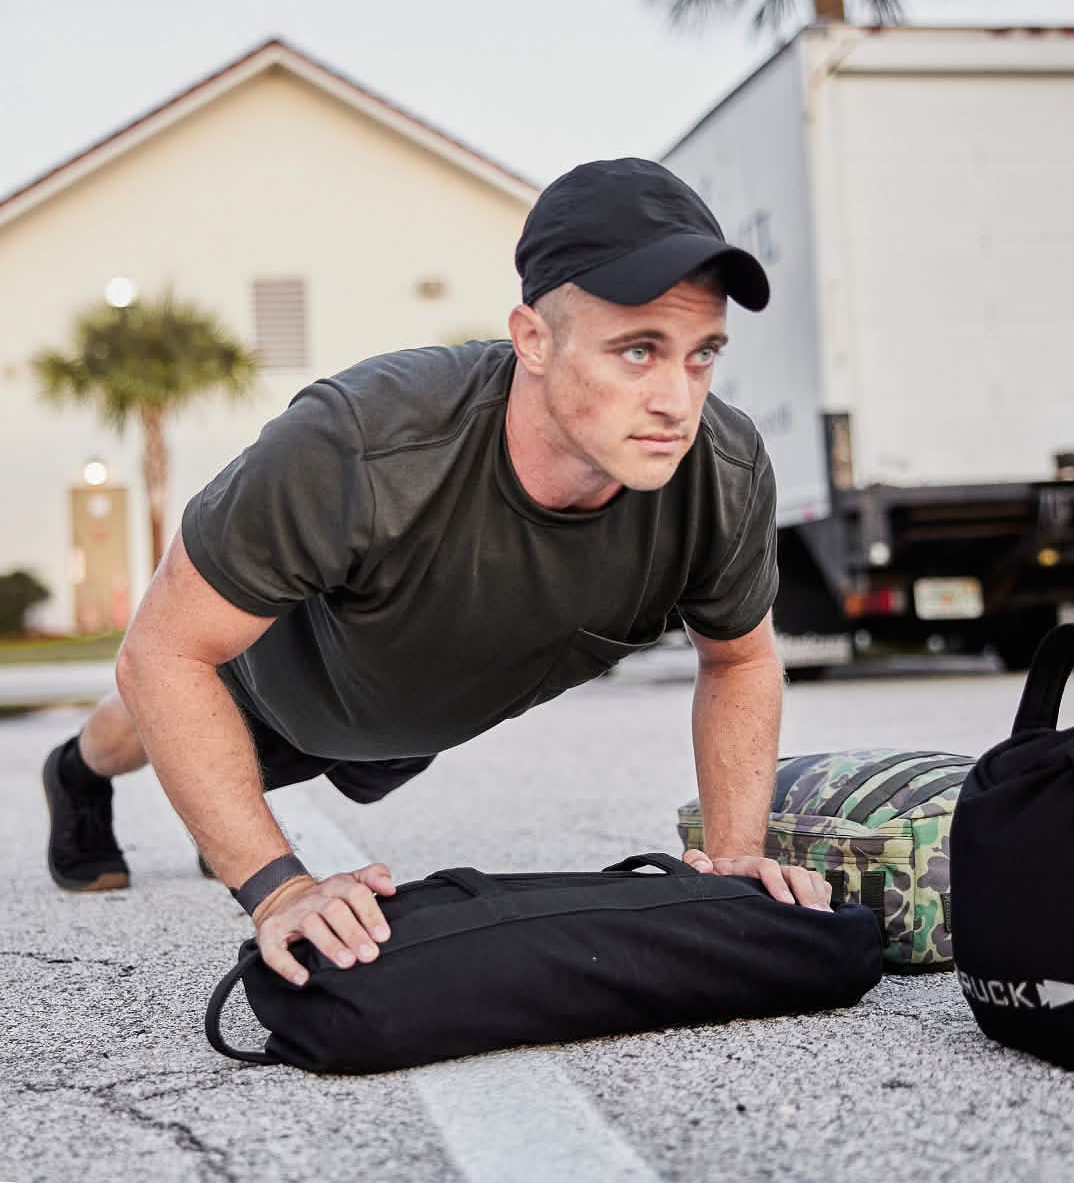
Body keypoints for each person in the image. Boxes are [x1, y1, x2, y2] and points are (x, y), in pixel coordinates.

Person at [42, 158, 833, 986]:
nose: (678, 399)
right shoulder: (360, 444)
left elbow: (739, 658)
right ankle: (76, 773)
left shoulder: (722, 472)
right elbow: (163, 652)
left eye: (701, 355)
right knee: (142, 719)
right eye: (638, 352)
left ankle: (239, 808)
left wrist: (735, 858)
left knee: (280, 778)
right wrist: (277, 884)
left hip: (409, 710)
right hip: (280, 678)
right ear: (532, 339)